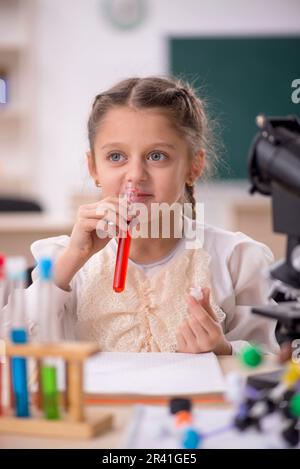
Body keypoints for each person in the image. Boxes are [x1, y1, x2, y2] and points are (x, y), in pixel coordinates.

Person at [10, 76, 280, 355]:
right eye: (116, 156)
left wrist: (224, 351)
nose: (136, 175)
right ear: (94, 168)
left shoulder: (236, 260)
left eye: (156, 156)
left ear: (193, 166)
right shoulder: (66, 262)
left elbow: (273, 364)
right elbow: (13, 347)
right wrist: (68, 263)